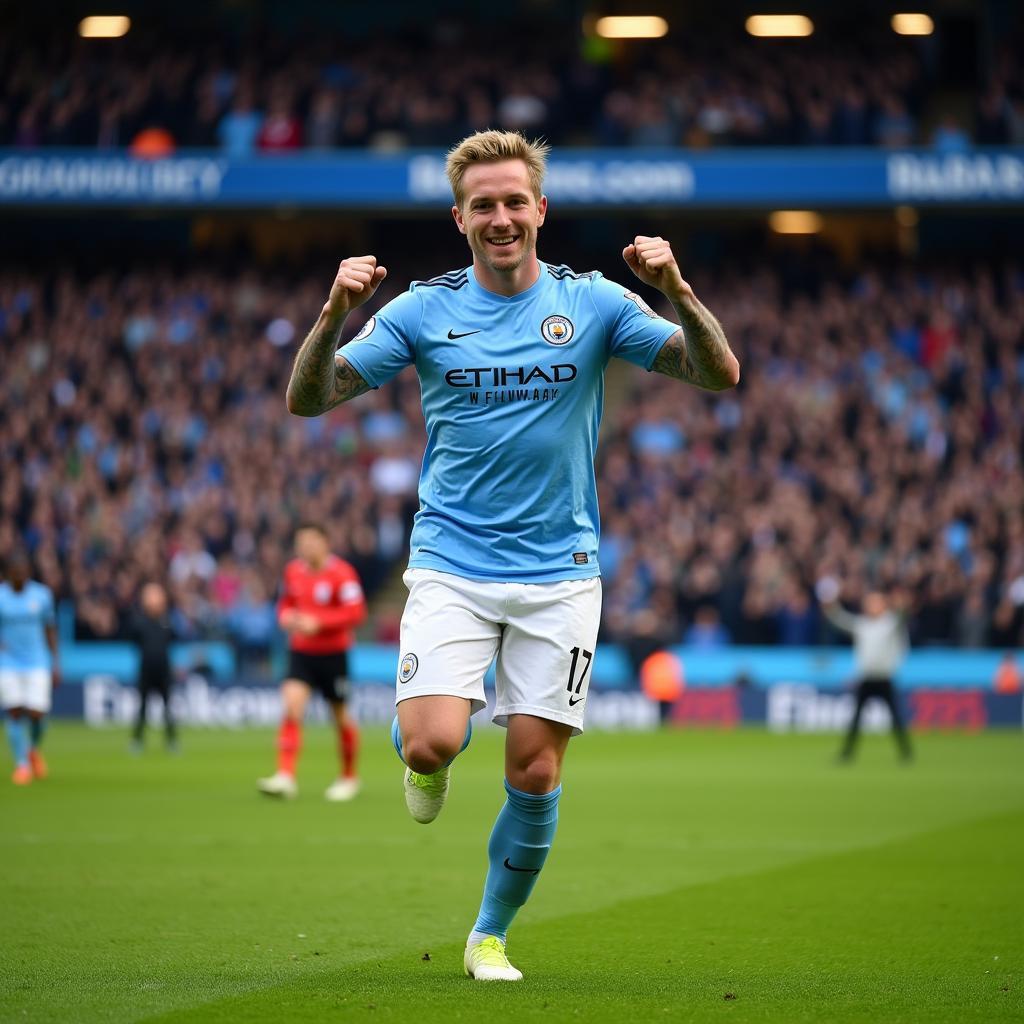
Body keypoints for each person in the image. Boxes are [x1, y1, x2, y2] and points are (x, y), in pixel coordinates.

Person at [284, 129, 739, 980]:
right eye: (482, 205)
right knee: (430, 745)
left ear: (541, 209)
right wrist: (330, 314)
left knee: (533, 767)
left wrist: (675, 288)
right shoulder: (423, 309)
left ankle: (488, 934)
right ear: (460, 218)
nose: (500, 217)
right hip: (452, 563)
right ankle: (424, 752)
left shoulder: (597, 302)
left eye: (513, 201)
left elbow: (718, 374)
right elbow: (309, 398)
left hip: (560, 573)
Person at [258, 523, 367, 801]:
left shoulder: (341, 574)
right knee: (292, 706)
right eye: (301, 542)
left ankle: (349, 777)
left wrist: (319, 623)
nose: (305, 547)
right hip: (301, 652)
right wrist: (284, 616)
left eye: (311, 541)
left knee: (340, 716)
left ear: (325, 542)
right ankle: (285, 775)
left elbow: (356, 612)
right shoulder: (293, 571)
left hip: (333, 654)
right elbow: (285, 603)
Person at [819, 580, 913, 762]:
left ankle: (905, 752)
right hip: (866, 678)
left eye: (876, 602)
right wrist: (830, 608)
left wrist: (902, 604)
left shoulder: (890, 623)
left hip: (884, 678)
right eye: (870, 603)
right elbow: (841, 621)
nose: (871, 606)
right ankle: (847, 753)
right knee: (856, 719)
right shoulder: (863, 625)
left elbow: (902, 616)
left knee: (895, 717)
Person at [0, 549, 60, 785]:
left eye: (24, 572)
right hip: (8, 663)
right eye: (16, 572)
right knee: (14, 711)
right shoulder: (1, 597)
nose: (20, 576)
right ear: (7, 574)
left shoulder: (42, 596)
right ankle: (21, 765)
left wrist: (55, 662)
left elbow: (50, 629)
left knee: (37, 714)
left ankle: (32, 749)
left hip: (37, 660)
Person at [128, 582, 177, 753]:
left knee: (168, 708)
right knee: (142, 707)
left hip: (164, 671)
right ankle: (137, 741)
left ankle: (172, 741)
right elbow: (134, 640)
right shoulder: (140, 622)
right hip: (146, 670)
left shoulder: (167, 621)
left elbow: (173, 639)